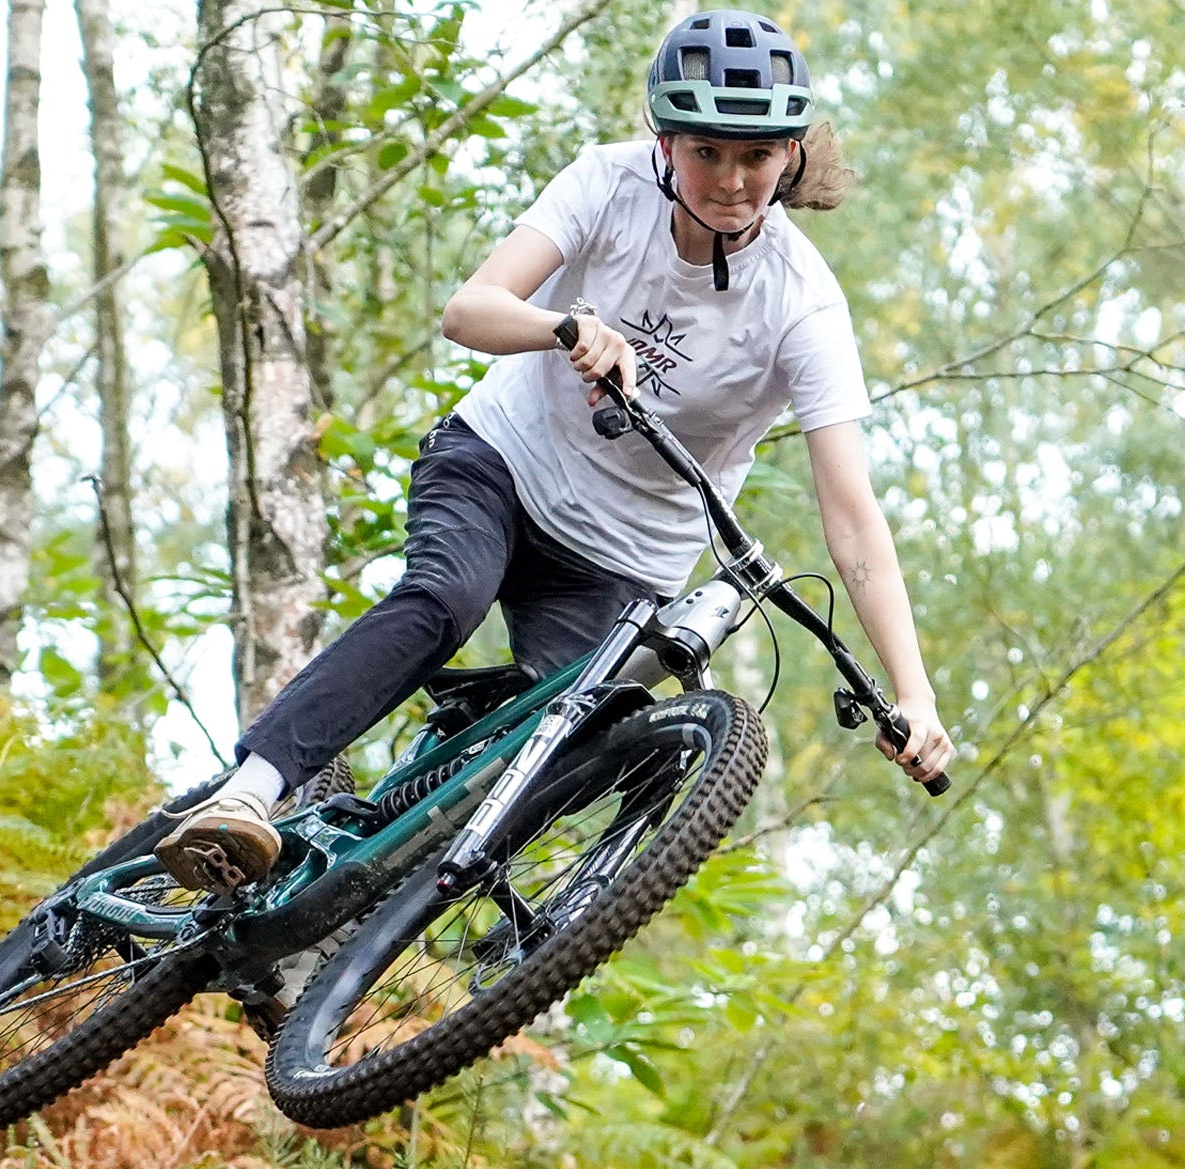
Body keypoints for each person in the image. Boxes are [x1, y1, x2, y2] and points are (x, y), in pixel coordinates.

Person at [151, 8, 951, 895]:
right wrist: (563, 326)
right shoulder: (609, 183)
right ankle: (250, 792)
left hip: (625, 555)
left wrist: (912, 693)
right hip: (502, 463)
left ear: (789, 154)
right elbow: (470, 311)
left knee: (571, 752)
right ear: (666, 141)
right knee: (445, 598)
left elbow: (853, 518)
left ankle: (369, 890)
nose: (731, 181)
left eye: (756, 156)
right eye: (707, 152)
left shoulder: (803, 303)